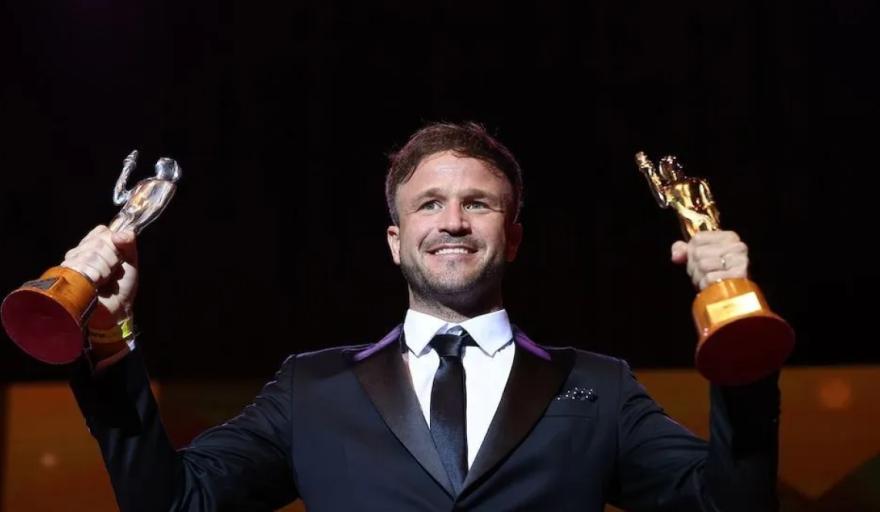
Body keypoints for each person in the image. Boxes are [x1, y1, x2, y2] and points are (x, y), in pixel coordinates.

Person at [65, 122, 779, 511]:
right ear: (395, 239)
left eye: (479, 204)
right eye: (429, 204)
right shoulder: (311, 390)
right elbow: (174, 504)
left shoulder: (597, 386)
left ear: (513, 236)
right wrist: (108, 339)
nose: (453, 222)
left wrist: (739, 335)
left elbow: (727, 505)